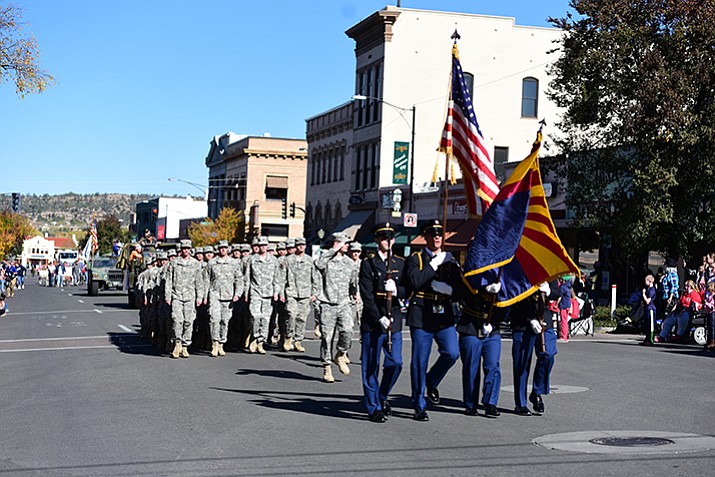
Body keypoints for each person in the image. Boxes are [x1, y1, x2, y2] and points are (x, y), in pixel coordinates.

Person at [403, 219, 461, 422]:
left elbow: (461, 289)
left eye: (440, 233)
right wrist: (433, 264)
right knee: (419, 360)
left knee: (452, 353)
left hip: (443, 314)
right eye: (433, 233)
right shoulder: (415, 259)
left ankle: (431, 379)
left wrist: (451, 290)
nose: (437, 236)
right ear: (425, 237)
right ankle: (419, 404)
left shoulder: (450, 261)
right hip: (421, 315)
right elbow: (415, 281)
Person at [359, 223, 406, 423]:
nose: (387, 241)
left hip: (393, 320)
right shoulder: (368, 263)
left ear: (394, 240)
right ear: (377, 240)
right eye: (383, 237)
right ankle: (373, 408)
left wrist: (396, 291)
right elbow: (366, 294)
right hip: (373, 320)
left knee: (396, 362)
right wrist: (379, 316)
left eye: (390, 237)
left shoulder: (400, 263)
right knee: (370, 366)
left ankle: (383, 394)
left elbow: (407, 289)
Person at [314, 232, 358, 383]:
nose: (348, 246)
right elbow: (318, 264)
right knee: (327, 337)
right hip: (327, 303)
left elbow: (353, 282)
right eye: (345, 243)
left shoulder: (349, 262)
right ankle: (327, 366)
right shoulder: (327, 260)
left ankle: (340, 354)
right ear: (337, 243)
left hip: (344, 303)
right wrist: (332, 250)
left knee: (348, 330)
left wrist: (355, 294)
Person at [456, 278, 503, 418]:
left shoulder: (502, 276)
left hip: (492, 328)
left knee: (493, 365)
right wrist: (484, 289)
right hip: (471, 327)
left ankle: (490, 403)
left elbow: (508, 303)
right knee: (471, 368)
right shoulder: (472, 273)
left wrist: (494, 323)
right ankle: (470, 404)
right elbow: (463, 296)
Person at [510, 282, 558, 415]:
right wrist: (530, 318)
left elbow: (557, 291)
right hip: (522, 321)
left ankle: (537, 391)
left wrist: (548, 291)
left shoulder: (548, 268)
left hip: (544, 319)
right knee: (522, 363)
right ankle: (521, 404)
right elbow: (515, 293)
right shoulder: (519, 268)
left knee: (548, 354)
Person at [164, 239, 204, 359]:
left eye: (188, 249)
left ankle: (185, 346)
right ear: (181, 250)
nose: (185, 250)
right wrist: (168, 296)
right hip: (176, 296)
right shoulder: (174, 263)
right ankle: (177, 343)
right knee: (177, 320)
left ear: (190, 250)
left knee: (189, 321)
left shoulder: (195, 263)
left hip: (190, 296)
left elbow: (199, 281)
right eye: (184, 249)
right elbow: (169, 280)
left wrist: (199, 296)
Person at [280, 237, 319, 352]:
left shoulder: (309, 260)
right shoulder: (288, 260)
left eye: (303, 245)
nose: (301, 247)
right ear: (295, 246)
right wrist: (281, 293)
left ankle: (298, 340)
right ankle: (289, 336)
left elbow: (315, 277)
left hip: (305, 293)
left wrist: (314, 292)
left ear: (305, 246)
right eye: (298, 245)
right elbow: (281, 278)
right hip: (291, 292)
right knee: (291, 314)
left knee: (302, 318)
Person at [243, 236, 280, 354]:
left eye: (265, 245)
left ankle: (260, 342)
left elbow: (277, 278)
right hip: (255, 291)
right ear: (258, 247)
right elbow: (247, 277)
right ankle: (254, 337)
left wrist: (276, 292)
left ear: (267, 246)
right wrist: (246, 292)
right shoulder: (252, 259)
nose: (263, 247)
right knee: (255, 316)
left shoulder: (274, 260)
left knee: (266, 318)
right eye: (261, 246)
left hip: (268, 293)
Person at [206, 240, 243, 357]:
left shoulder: (234, 263)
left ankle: (222, 343)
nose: (223, 249)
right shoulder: (212, 263)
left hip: (228, 296)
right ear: (218, 249)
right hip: (214, 294)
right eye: (221, 248)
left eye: (225, 248)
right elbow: (206, 280)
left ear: (228, 249)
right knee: (214, 319)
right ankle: (214, 343)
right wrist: (204, 296)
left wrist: (237, 293)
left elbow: (239, 279)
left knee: (224, 321)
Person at [640, 273, 657, 346]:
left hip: (651, 309)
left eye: (646, 281)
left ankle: (651, 340)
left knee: (651, 325)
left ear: (650, 281)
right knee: (646, 324)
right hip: (647, 309)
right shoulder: (648, 289)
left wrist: (643, 294)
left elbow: (648, 301)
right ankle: (647, 339)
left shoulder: (652, 290)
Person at [556, 274, 575, 342]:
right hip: (568, 305)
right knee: (565, 321)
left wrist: (556, 304)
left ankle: (563, 337)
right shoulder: (568, 287)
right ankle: (565, 335)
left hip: (563, 305)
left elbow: (560, 297)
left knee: (563, 321)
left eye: (561, 279)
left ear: (564, 280)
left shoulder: (562, 287)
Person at [702, 281, 715, 350]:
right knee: (709, 327)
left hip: (713, 312)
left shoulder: (714, 296)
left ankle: (713, 341)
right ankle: (709, 340)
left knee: (712, 327)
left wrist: (707, 303)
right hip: (708, 312)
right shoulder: (710, 296)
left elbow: (713, 306)